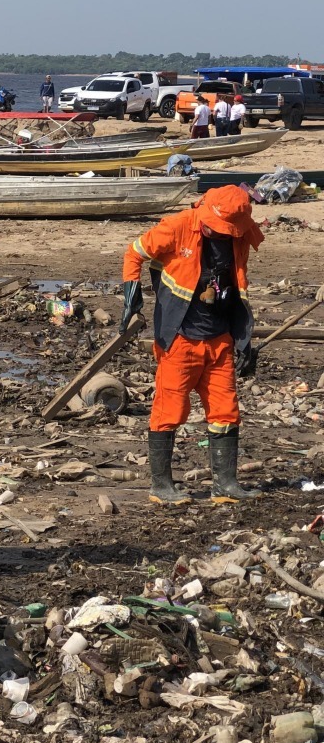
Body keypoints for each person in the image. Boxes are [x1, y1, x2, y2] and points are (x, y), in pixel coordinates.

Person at [121, 185, 263, 506]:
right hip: (179, 339)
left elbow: (240, 283)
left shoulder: (240, 234)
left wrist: (244, 338)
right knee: (169, 410)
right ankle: (161, 487)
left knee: (226, 409)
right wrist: (131, 292)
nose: (224, 234)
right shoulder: (179, 226)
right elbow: (134, 252)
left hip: (219, 339)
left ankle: (225, 484)